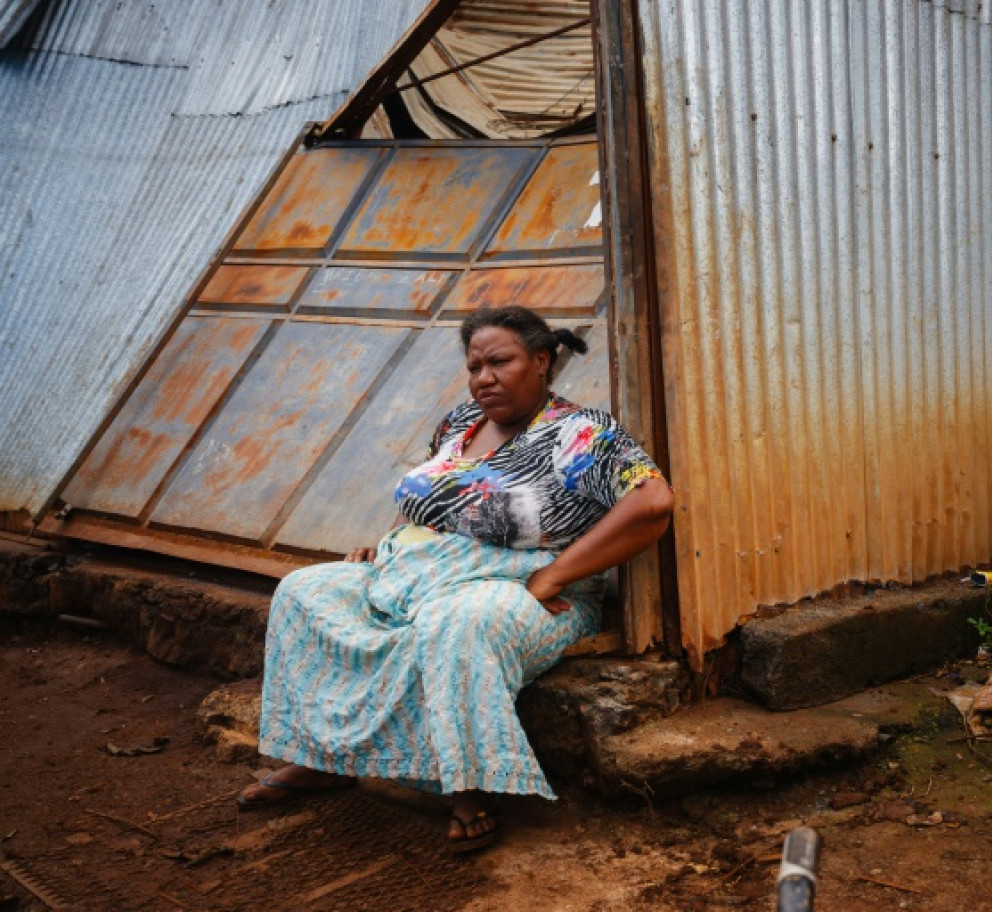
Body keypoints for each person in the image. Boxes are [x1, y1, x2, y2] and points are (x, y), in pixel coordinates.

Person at [237, 305, 674, 853]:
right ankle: (321, 759)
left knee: (457, 623)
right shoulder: (459, 422)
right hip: (414, 574)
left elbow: (652, 503)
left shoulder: (580, 433)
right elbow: (432, 497)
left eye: (500, 362)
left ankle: (468, 781)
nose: (484, 378)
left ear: (541, 361)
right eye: (474, 366)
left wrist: (551, 577)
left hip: (521, 588)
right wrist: (390, 545)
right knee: (306, 592)